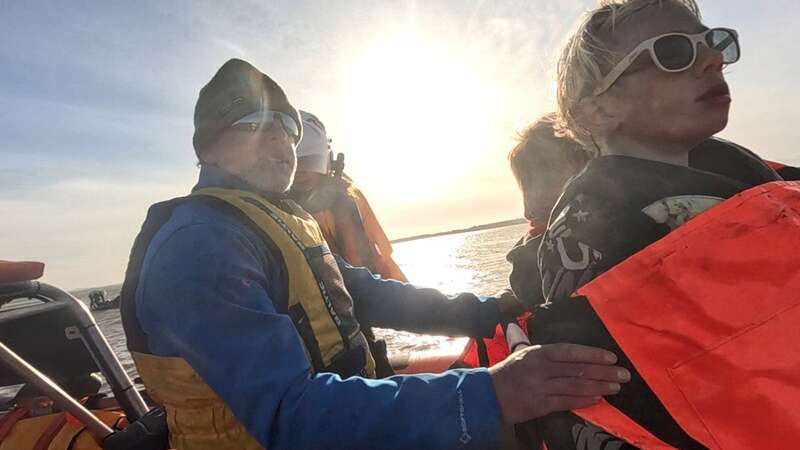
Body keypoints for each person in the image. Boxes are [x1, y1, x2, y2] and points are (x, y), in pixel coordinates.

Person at [119, 58, 630, 450]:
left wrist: (485, 310)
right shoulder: (199, 244)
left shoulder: (280, 220)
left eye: (288, 126)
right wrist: (491, 393)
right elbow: (285, 415)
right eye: (254, 123)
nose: (280, 139)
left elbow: (361, 292)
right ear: (207, 148)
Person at [529, 1, 782, 449]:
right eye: (672, 52)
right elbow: (619, 407)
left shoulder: (740, 171)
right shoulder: (591, 231)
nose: (712, 59)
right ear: (598, 111)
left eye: (714, 42)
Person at [289, 110, 407, 282]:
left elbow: (384, 258)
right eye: (295, 165)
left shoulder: (350, 196)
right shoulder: (282, 214)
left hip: (375, 291)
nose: (302, 172)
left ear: (327, 161)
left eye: (311, 162)